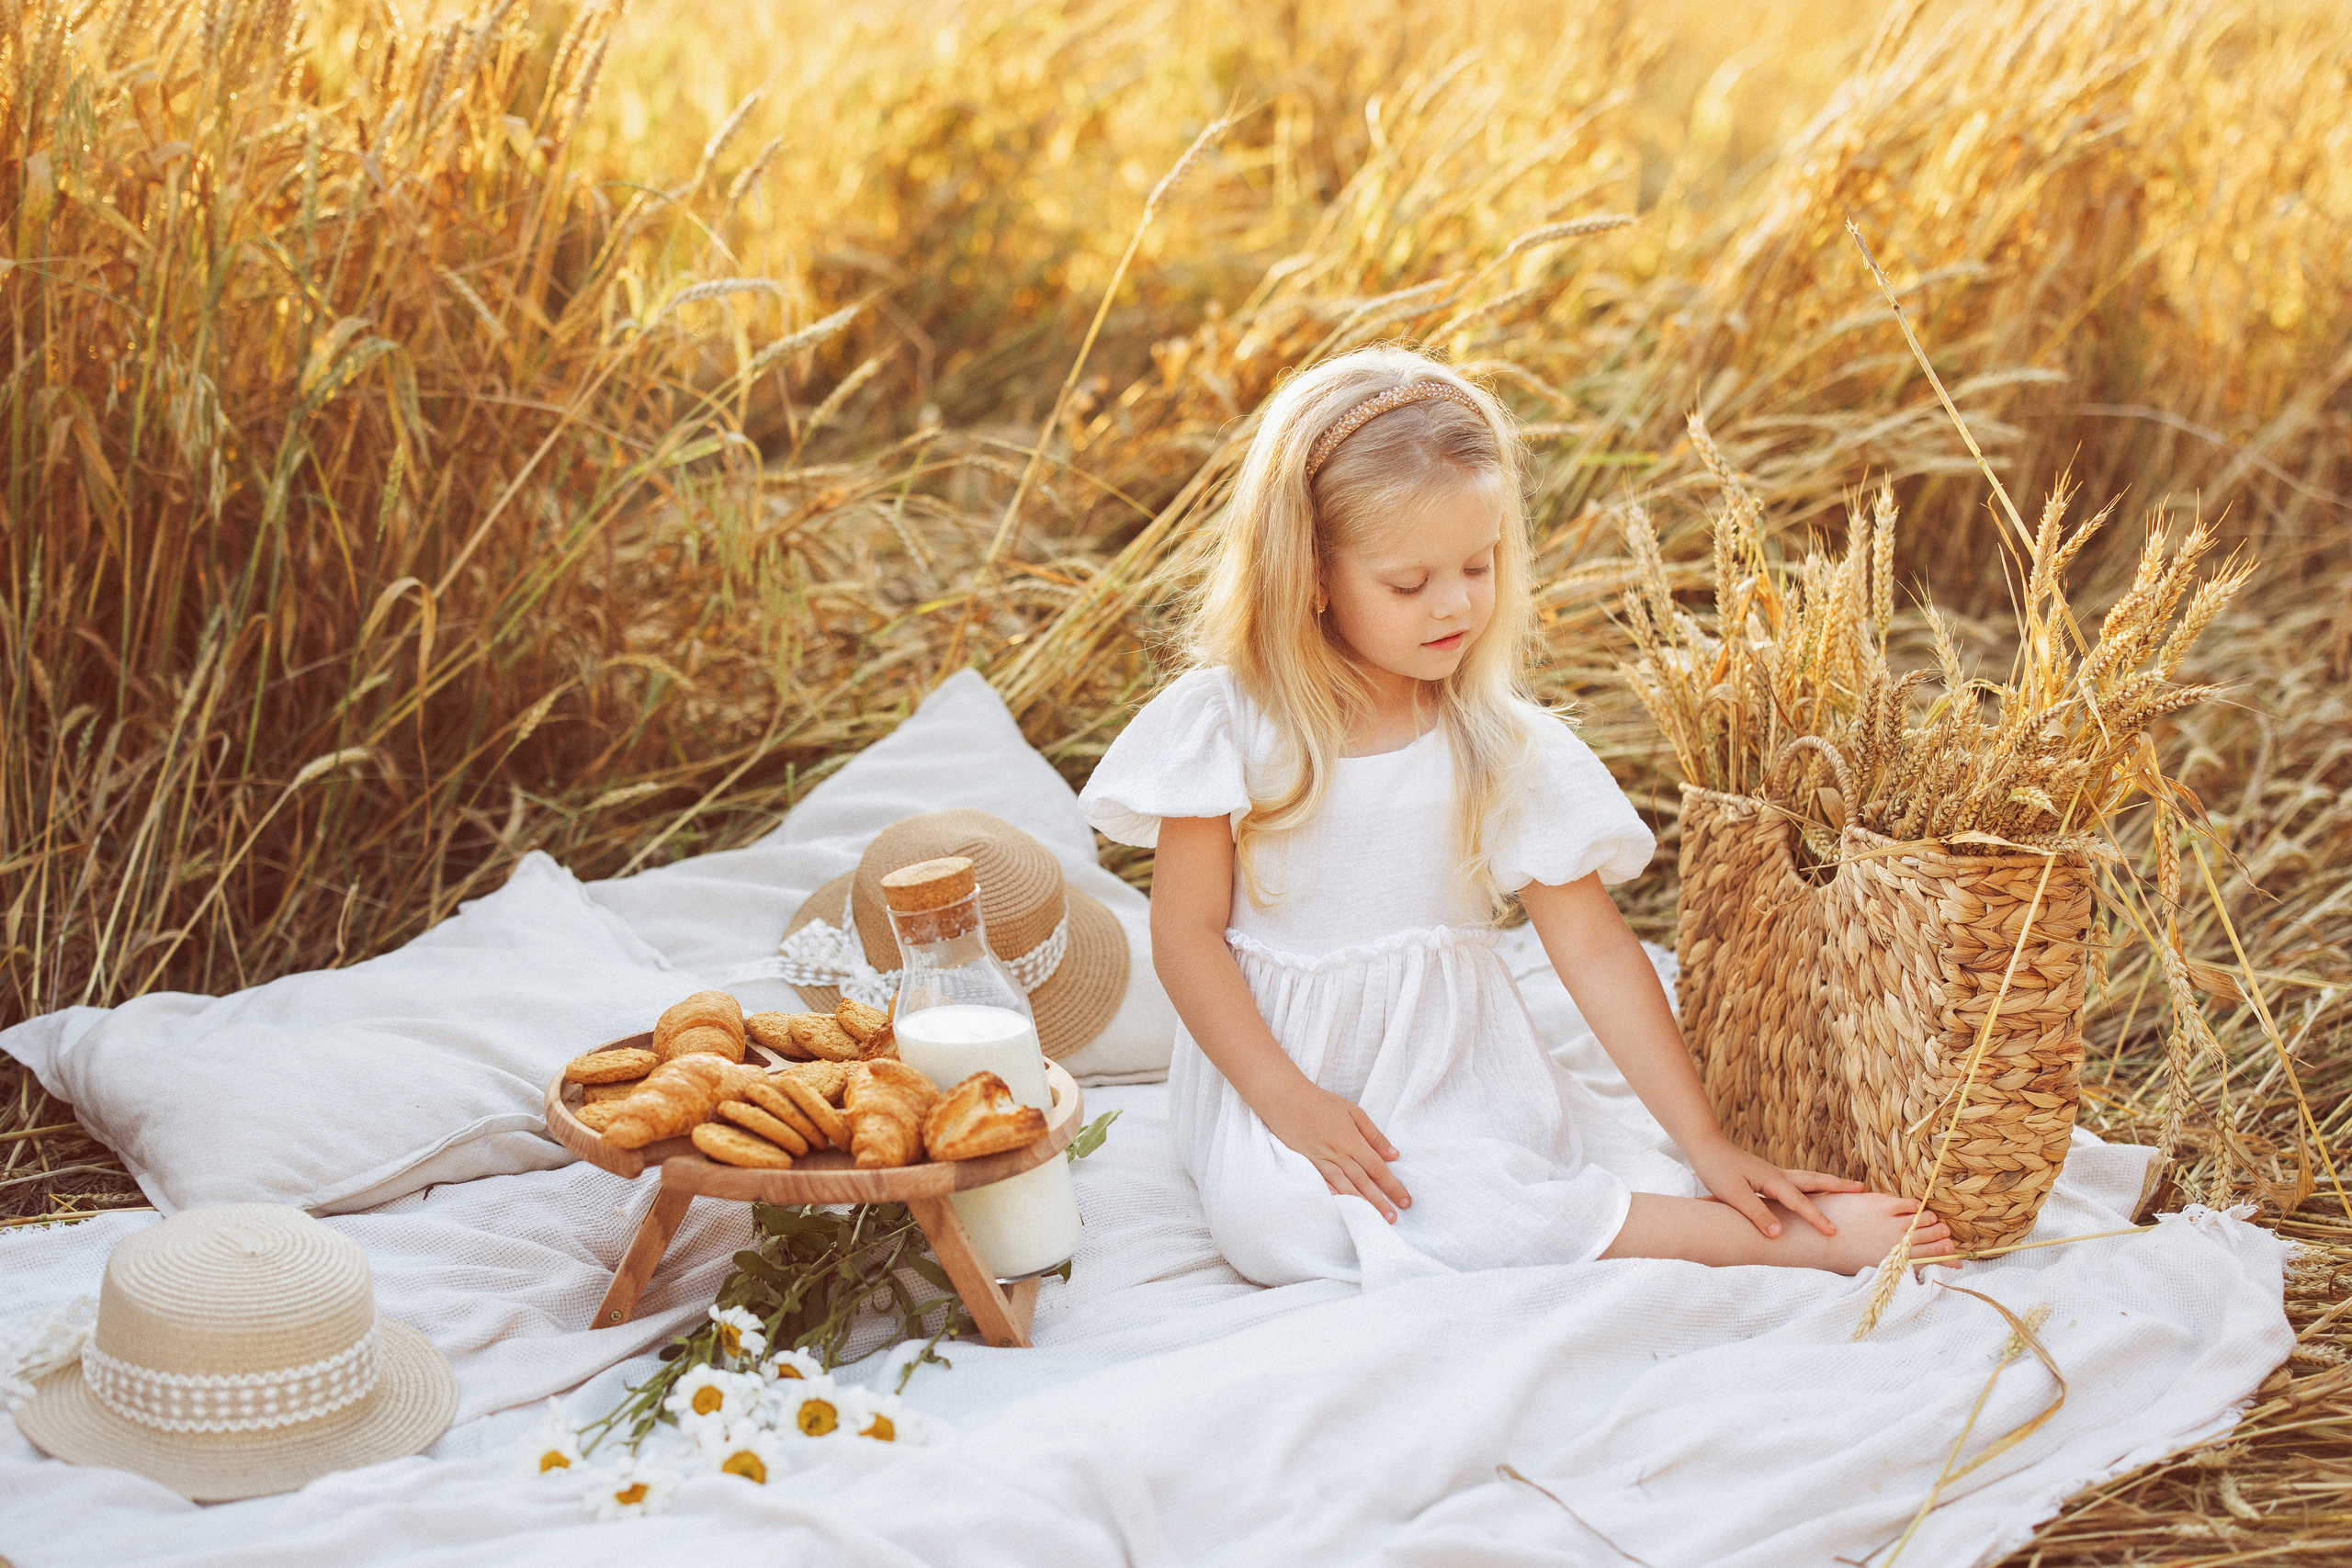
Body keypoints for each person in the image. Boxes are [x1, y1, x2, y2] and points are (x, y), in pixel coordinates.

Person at [1077, 344, 1953, 1289]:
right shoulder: (1231, 723)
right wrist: (1285, 1100)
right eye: (1408, 584)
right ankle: (1534, 1214)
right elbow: (1185, 935)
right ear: (1312, 576)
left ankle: (1749, 1235)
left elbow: (1596, 950)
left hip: (1445, 1059)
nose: (1454, 604)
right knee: (1277, 1227)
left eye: (1478, 565)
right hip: (1281, 1060)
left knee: (1477, 1185)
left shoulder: (1495, 742)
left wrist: (1702, 1138)